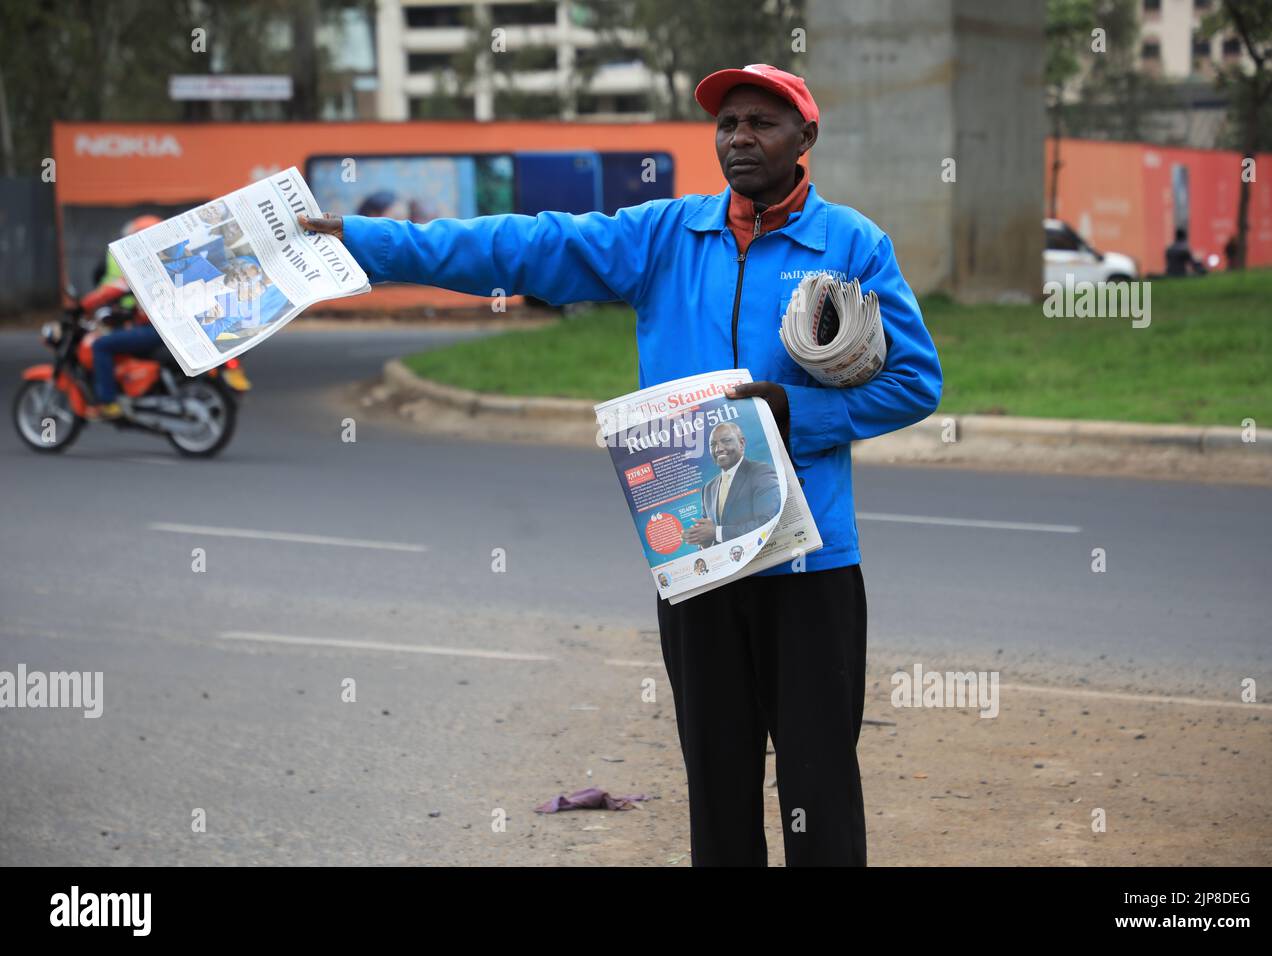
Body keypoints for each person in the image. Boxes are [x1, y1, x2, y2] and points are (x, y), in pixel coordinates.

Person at [300, 63, 943, 866]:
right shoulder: (665, 236)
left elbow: (917, 382)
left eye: (762, 123)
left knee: (819, 786)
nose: (740, 137)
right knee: (717, 782)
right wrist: (365, 241)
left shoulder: (849, 243)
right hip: (699, 556)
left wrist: (793, 412)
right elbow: (525, 245)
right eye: (728, 123)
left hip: (810, 564)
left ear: (805, 138)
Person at [85, 215, 164, 421]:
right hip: (163, 327)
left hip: (154, 329)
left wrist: (84, 304)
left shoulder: (145, 266)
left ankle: (108, 403)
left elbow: (116, 287)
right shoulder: (170, 259)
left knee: (101, 346)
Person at [686, 421, 780, 546]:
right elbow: (710, 537)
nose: (718, 449)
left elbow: (768, 522)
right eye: (713, 444)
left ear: (741, 443)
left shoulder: (761, 473)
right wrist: (702, 540)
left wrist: (716, 532)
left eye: (726, 440)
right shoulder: (707, 489)